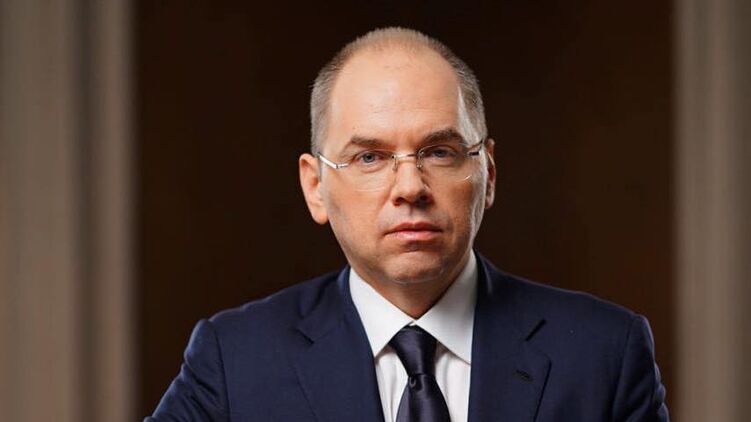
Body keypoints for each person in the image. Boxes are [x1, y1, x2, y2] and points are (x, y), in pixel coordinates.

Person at [146, 27, 669, 422]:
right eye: (370, 157)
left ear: (487, 174)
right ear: (315, 186)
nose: (410, 186)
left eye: (439, 151)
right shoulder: (234, 360)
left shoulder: (605, 353)